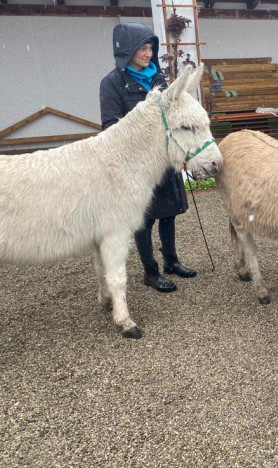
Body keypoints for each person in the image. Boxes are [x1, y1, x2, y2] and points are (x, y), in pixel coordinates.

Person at [100, 22, 196, 293]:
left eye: (150, 48)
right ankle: (150, 272)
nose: (147, 53)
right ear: (127, 51)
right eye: (141, 48)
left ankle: (171, 262)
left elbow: (173, 114)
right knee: (144, 219)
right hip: (137, 166)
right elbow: (110, 127)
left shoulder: (159, 78)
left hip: (164, 159)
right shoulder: (112, 83)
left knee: (170, 214)